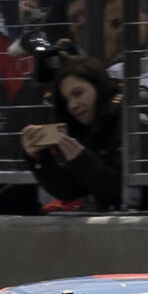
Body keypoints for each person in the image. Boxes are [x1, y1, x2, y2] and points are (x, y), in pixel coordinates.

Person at [20, 56, 125, 210]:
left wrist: (81, 159)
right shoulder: (87, 127)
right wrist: (38, 159)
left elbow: (121, 193)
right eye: (66, 100)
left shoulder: (126, 119)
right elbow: (69, 191)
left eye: (78, 93)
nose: (72, 106)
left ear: (99, 87)